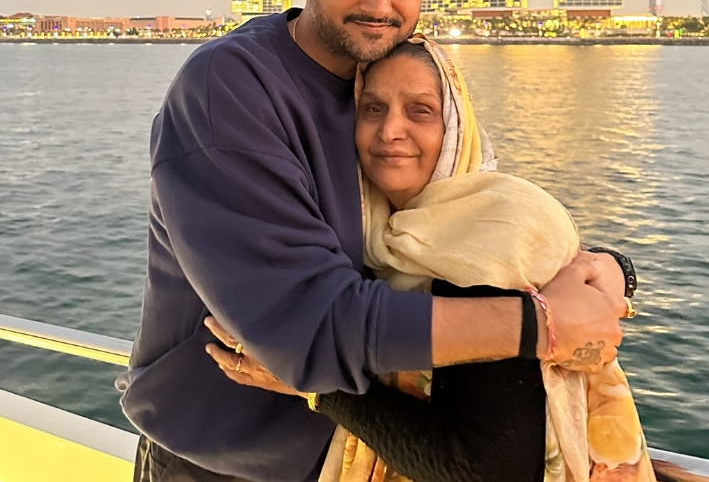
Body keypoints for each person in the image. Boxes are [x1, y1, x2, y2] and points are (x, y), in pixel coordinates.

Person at [117, 0, 630, 482]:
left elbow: (467, 218)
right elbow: (305, 327)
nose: (379, 2)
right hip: (225, 460)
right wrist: (540, 325)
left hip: (357, 453)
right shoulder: (229, 91)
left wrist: (602, 266)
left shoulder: (384, 79)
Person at [205, 38, 653, 482]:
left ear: (456, 127)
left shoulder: (487, 239)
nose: (390, 130)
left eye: (420, 110)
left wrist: (314, 386)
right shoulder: (378, 231)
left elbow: (486, 467)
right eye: (372, 109)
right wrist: (615, 266)